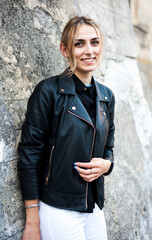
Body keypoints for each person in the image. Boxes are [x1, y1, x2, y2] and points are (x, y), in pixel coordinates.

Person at [18, 16, 115, 240]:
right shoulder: (48, 91)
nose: (89, 50)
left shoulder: (107, 96)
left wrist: (107, 165)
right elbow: (29, 154)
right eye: (79, 44)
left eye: (95, 42)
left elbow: (109, 146)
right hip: (59, 209)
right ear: (65, 49)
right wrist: (32, 221)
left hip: (95, 208)